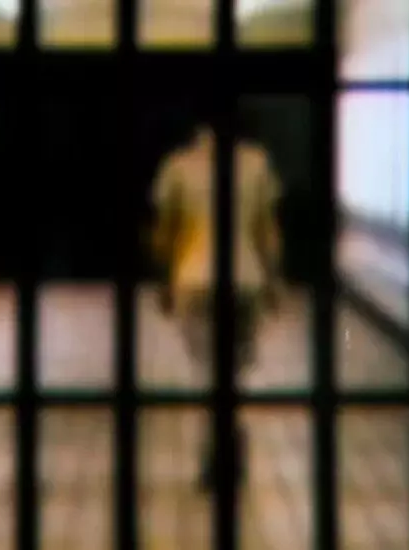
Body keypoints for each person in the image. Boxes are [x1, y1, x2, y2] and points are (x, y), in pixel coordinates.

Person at [150, 124, 284, 491]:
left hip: (195, 279)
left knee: (207, 370)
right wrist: (274, 282)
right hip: (246, 278)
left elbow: (166, 232)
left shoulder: (178, 166)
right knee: (235, 370)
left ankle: (215, 455)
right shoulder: (256, 163)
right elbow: (267, 231)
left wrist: (163, 280)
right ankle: (231, 443)